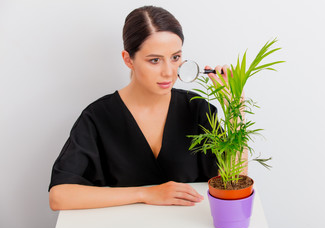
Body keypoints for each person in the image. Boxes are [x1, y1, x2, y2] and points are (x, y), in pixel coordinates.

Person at [49, 5, 230, 210]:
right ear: (128, 60)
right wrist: (146, 193)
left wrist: (235, 112)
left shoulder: (197, 109)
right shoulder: (98, 117)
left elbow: (234, 183)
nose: (169, 73)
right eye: (154, 60)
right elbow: (59, 196)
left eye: (175, 58)